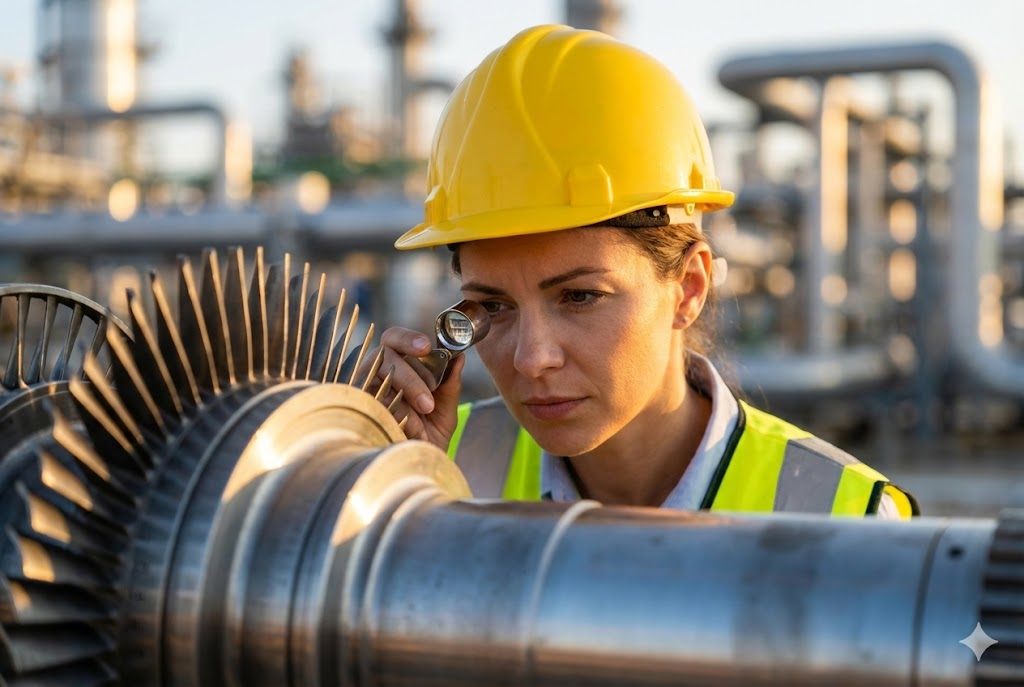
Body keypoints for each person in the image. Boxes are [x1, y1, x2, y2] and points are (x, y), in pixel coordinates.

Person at [365, 24, 917, 518]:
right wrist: (381, 482)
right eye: (492, 307)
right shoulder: (438, 469)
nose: (532, 359)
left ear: (689, 288)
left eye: (580, 296)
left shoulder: (844, 517)